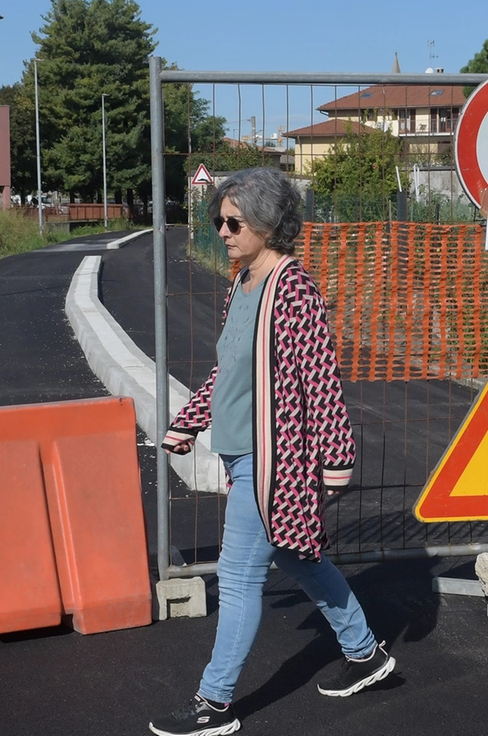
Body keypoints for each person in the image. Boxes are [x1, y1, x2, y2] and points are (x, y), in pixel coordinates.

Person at [150, 167, 395, 736]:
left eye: (233, 222)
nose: (223, 232)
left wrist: (335, 459)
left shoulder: (294, 290)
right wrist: (189, 420)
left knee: (237, 579)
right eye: (219, 222)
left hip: (275, 459)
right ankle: (366, 654)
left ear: (267, 222)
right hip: (241, 453)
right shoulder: (242, 284)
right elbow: (228, 371)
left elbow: (321, 380)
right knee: (295, 557)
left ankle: (214, 705)